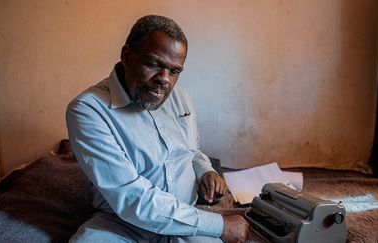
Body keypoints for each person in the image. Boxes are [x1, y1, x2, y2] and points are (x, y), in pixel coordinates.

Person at [66, 15, 249, 242]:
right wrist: (219, 225)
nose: (164, 79)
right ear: (126, 55)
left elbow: (191, 149)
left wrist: (205, 171)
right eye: (153, 64)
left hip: (185, 219)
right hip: (123, 225)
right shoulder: (88, 110)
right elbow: (132, 198)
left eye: (174, 71)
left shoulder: (179, 95)